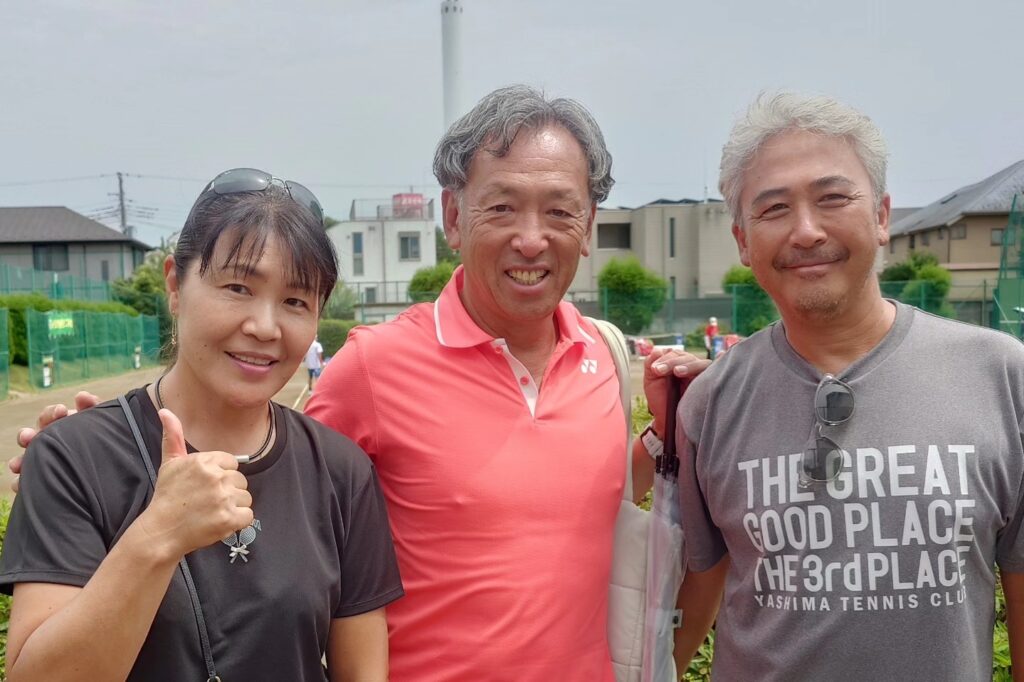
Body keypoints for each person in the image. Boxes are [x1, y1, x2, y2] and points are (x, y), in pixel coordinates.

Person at [11, 88, 707, 681]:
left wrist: (669, 436)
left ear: (589, 226)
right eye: (502, 207)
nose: (532, 237)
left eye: (559, 210)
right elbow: (272, 485)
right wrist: (99, 456)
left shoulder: (603, 356)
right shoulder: (374, 368)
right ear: (454, 217)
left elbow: (576, 494)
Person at [672, 92, 1024, 680]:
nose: (806, 231)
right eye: (774, 209)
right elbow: (698, 585)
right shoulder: (711, 401)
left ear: (882, 216)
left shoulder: (1002, 379)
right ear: (742, 241)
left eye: (833, 198)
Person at [0, 168, 403, 681]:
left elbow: (363, 672)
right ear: (175, 284)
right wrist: (158, 535)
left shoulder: (341, 472)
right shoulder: (72, 457)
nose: (265, 327)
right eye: (237, 287)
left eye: (295, 301)